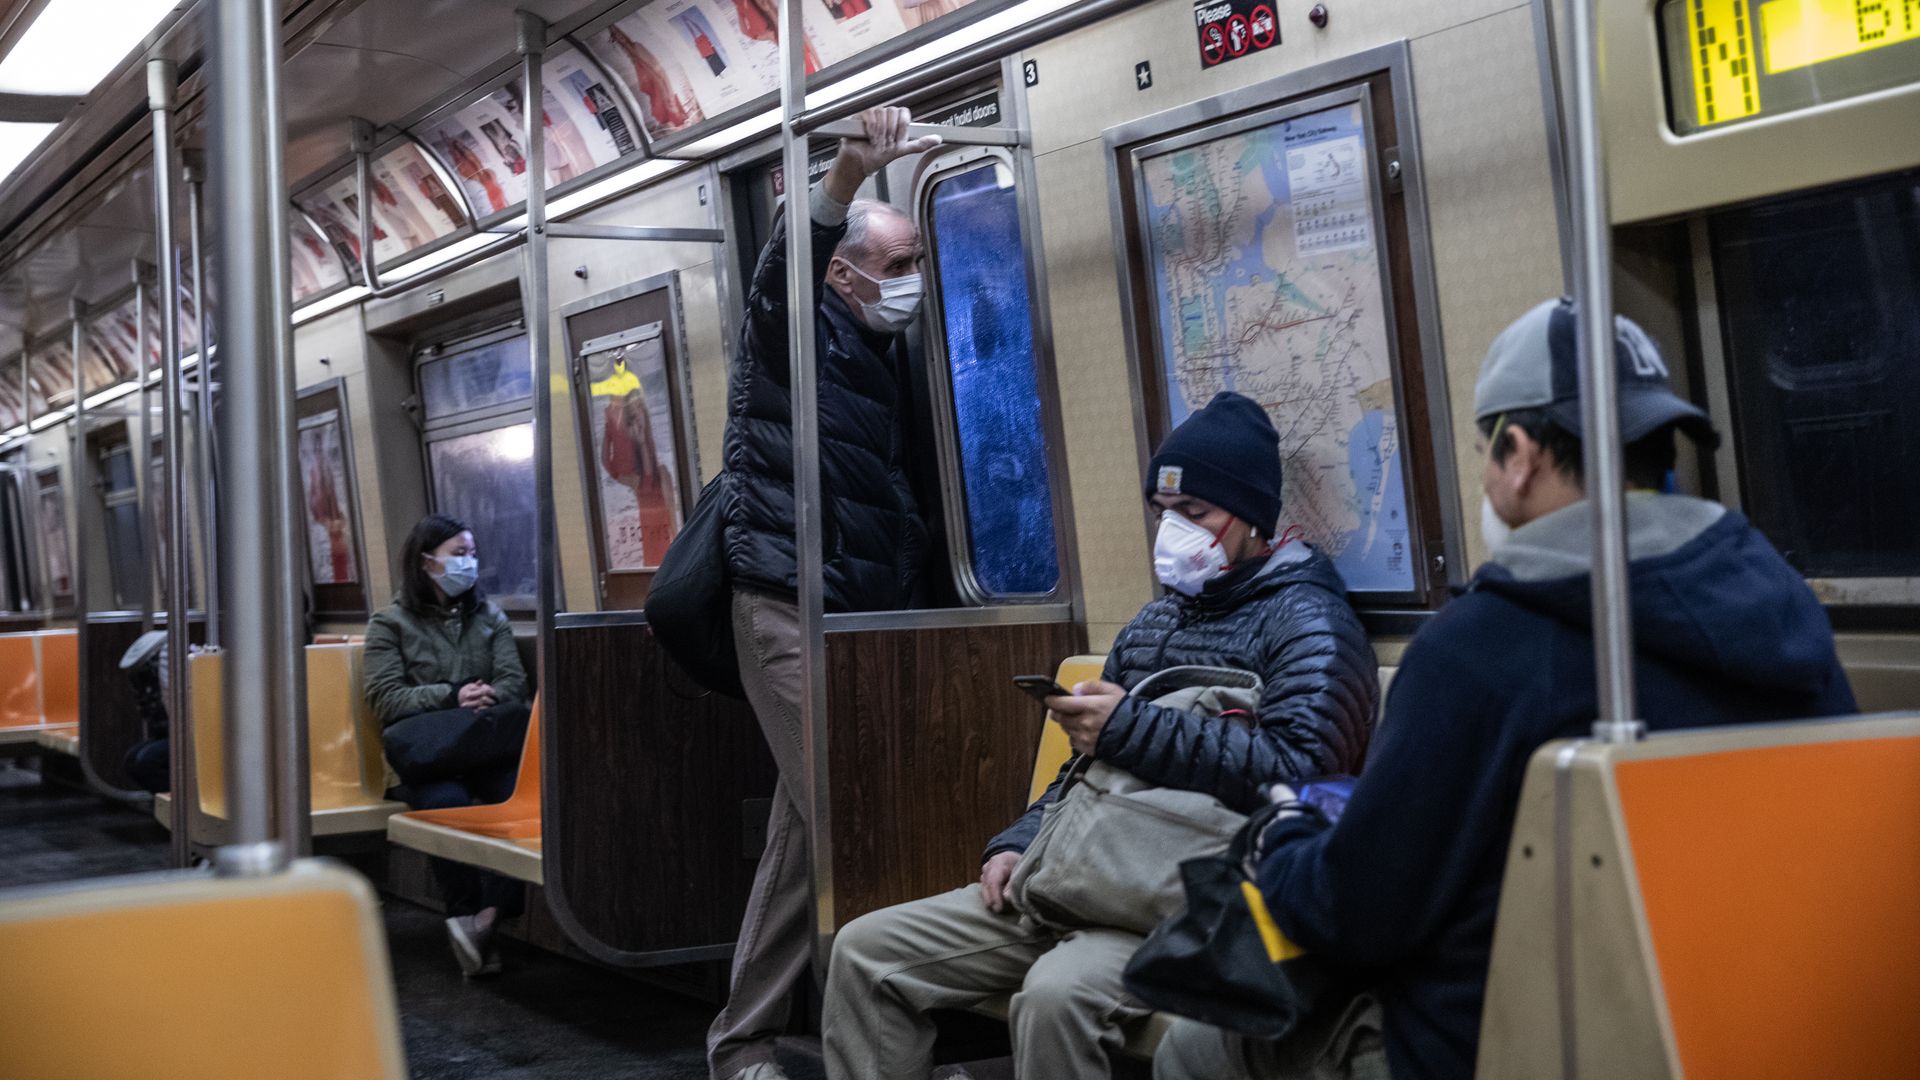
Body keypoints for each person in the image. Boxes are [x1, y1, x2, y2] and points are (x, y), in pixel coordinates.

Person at [1154, 299, 1860, 1080]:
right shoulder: (1786, 608)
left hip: (1500, 1038)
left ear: (1519, 453)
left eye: (1486, 454)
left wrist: (1284, 839)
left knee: (1193, 1048)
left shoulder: (1478, 649)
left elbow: (1356, 915)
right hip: (1758, 1025)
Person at [819, 391, 1381, 1080]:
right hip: (1076, 873)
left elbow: (1302, 769)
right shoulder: (1154, 623)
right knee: (863, 950)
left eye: (1195, 512)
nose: (1173, 530)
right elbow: (1081, 771)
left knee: (1055, 997)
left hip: (1183, 899)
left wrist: (1132, 726)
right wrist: (1019, 842)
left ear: (1253, 520)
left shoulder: (1309, 624)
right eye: (1163, 512)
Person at [708, 105, 945, 1080]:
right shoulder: (792, 336)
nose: (913, 287)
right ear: (841, 278)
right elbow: (781, 271)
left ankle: (745, 1043)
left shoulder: (881, 359)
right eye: (897, 269)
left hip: (853, 615)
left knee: (806, 835)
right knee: (856, 819)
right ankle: (882, 1052)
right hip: (783, 605)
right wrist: (844, 177)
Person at [364, 513, 533, 979]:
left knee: (511, 798)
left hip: (481, 746)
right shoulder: (390, 623)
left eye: (472, 554)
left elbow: (513, 685)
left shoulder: (489, 618)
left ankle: (489, 916)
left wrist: (483, 696)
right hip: (427, 756)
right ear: (426, 563)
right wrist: (452, 693)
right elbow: (386, 699)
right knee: (447, 802)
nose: (469, 563)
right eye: (458, 555)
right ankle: (464, 914)